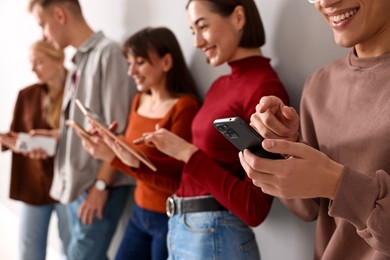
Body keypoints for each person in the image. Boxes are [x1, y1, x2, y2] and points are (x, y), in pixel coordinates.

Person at [239, 0, 390, 259]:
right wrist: (287, 149)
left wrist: (337, 184)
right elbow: (309, 210)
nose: (325, 2)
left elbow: (334, 189)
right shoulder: (319, 84)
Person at [142, 0, 289, 259]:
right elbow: (194, 174)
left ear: (239, 18)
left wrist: (189, 153)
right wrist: (127, 160)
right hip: (183, 229)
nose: (197, 42)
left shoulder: (264, 90)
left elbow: (254, 208)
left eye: (203, 26)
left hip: (215, 237)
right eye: (192, 31)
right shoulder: (220, 85)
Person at [79, 26, 200, 260]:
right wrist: (110, 141)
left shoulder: (184, 107)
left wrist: (115, 157)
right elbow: (135, 154)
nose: (131, 71)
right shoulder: (139, 100)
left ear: (166, 62)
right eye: (129, 62)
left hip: (168, 219)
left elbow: (176, 179)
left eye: (140, 62)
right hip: (139, 212)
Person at [27, 1, 136, 259]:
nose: (43, 34)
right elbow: (85, 128)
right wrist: (55, 138)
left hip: (97, 188)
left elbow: (118, 131)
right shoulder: (78, 62)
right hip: (75, 189)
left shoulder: (108, 54)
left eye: (43, 25)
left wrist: (101, 185)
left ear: (59, 15)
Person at [0, 40, 70, 260]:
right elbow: (15, 134)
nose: (33, 69)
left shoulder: (78, 94)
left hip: (69, 185)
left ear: (58, 61)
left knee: (74, 250)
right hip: (34, 183)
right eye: (32, 63)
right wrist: (7, 140)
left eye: (38, 62)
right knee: (29, 252)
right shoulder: (27, 95)